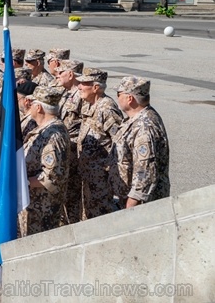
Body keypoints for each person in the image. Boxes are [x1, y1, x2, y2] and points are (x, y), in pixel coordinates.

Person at [109, 76, 170, 208]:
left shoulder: (144, 127)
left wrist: (133, 202)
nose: (117, 98)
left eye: (119, 94)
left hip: (140, 204)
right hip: (127, 197)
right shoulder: (139, 118)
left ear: (129, 98)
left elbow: (145, 169)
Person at [19, 86, 71, 237]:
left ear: (39, 107)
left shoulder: (53, 135)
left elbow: (51, 176)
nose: (29, 105)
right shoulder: (43, 129)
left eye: (33, 102)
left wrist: (23, 182)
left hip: (42, 208)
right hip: (33, 203)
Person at [77, 67, 123, 219]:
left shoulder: (107, 108)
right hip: (89, 176)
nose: (79, 86)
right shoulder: (90, 104)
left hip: (101, 180)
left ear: (96, 87)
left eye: (84, 84)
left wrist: (111, 172)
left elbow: (120, 143)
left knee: (101, 218)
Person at [56, 59, 85, 223]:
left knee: (73, 197)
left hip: (75, 154)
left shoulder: (81, 96)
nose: (58, 75)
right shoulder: (64, 93)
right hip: (65, 153)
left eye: (61, 72)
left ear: (71, 74)